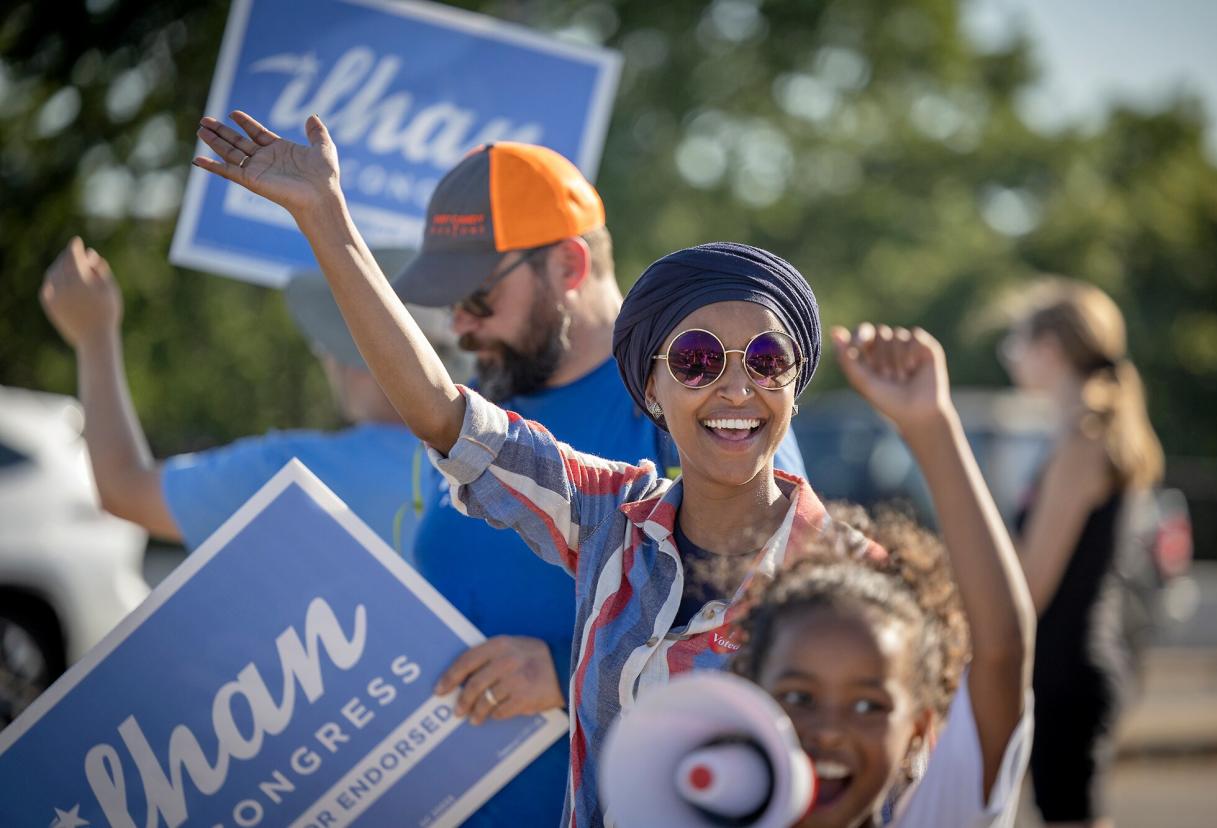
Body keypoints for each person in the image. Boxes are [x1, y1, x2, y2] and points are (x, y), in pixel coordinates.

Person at [192, 110, 852, 827]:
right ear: (653, 388)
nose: (733, 389)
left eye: (478, 299)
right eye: (695, 364)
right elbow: (441, 413)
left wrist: (571, 668)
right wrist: (325, 217)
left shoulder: (804, 534)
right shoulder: (608, 504)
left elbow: (819, 686)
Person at [395, 143, 808, 824]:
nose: (460, 327)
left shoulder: (700, 406)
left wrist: (566, 671)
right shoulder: (467, 406)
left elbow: (782, 622)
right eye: (448, 307)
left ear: (569, 266)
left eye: (476, 298)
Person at [730, 322, 1035, 827]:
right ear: (751, 699)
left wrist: (929, 424)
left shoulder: (937, 816)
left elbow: (1002, 650)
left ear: (918, 727)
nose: (829, 731)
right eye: (799, 698)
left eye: (869, 706)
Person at [38, 240, 467, 551]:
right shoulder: (510, 453)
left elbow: (124, 489)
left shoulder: (295, 474)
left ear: (353, 355)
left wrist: (94, 335)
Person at [996, 279, 1165, 828]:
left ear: (1050, 349)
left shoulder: (1082, 441)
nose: (1009, 355)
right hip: (1072, 662)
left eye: (1016, 341)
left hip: (1065, 669)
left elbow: (1032, 583)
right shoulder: (1090, 433)